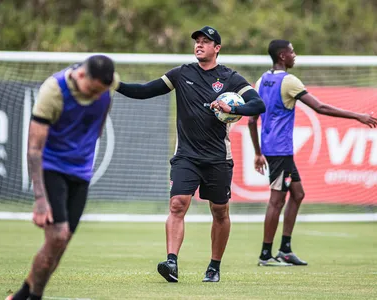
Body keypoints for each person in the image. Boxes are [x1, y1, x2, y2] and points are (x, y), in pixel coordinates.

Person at [115, 26, 265, 282]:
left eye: (206, 41)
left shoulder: (230, 78)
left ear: (217, 48)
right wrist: (114, 84)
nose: (199, 45)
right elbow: (143, 91)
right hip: (186, 155)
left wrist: (231, 106)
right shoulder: (181, 73)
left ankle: (214, 266)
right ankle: (171, 262)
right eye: (197, 41)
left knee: (220, 211)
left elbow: (258, 104)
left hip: (218, 158)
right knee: (177, 204)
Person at [248, 39, 377, 267]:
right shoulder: (289, 81)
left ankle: (285, 249)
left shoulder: (262, 80)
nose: (294, 55)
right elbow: (320, 107)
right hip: (281, 150)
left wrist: (258, 153)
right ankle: (265, 255)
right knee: (276, 201)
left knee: (297, 194)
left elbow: (251, 120)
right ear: (282, 56)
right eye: (291, 51)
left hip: (273, 149)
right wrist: (358, 116)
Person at [6, 55, 119, 300]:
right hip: (52, 168)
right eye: (92, 90)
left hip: (81, 172)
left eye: (101, 92)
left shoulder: (108, 86)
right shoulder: (53, 91)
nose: (95, 96)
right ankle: (34, 296)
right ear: (80, 76)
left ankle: (23, 294)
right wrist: (39, 200)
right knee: (57, 236)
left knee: (61, 242)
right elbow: (34, 149)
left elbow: (99, 122)